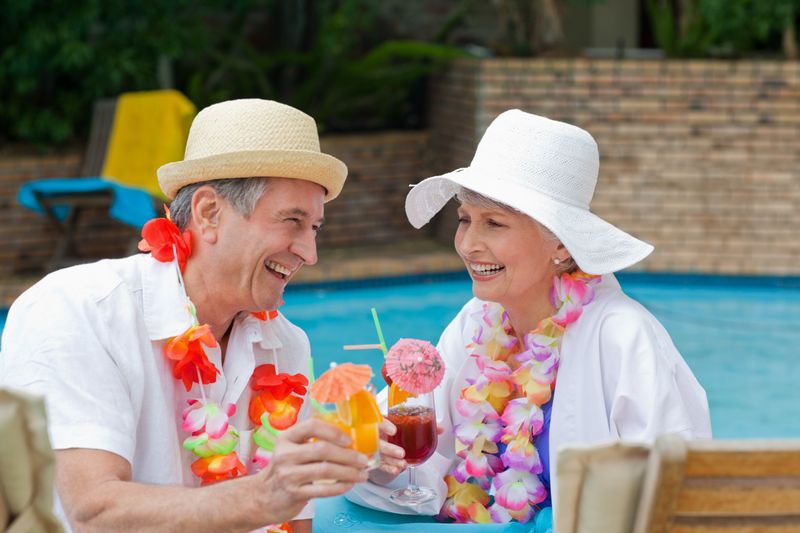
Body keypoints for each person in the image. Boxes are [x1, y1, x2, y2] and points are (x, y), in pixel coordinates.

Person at [0, 99, 400, 533]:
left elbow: (294, 524)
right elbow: (94, 511)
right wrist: (263, 495)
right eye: (292, 221)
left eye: (315, 228)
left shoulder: (285, 343)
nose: (310, 252)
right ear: (209, 214)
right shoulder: (77, 310)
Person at [348, 109, 712, 527]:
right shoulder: (475, 322)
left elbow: (678, 490)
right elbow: (424, 462)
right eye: (464, 220)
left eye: (494, 224)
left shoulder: (623, 335)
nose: (468, 244)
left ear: (559, 243)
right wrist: (376, 454)